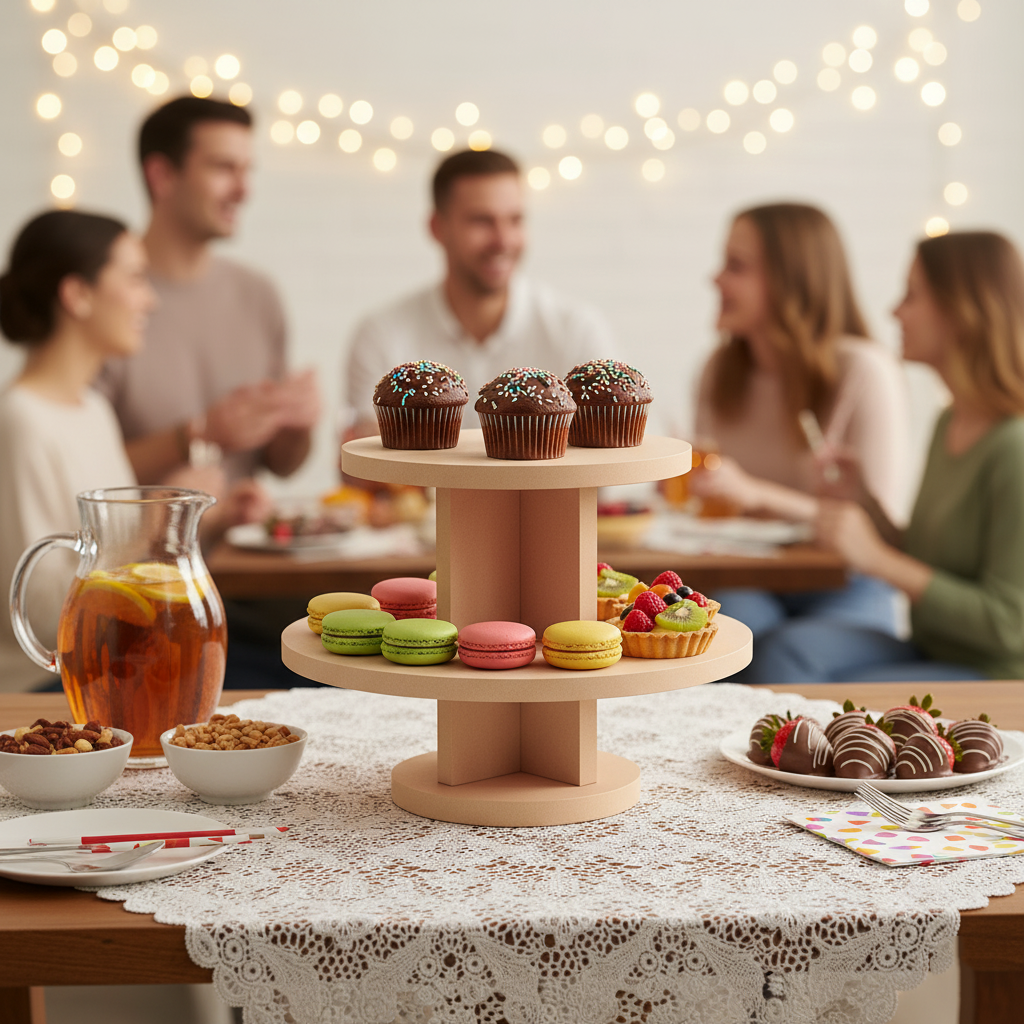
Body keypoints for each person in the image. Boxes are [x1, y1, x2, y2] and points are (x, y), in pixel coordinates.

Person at [748, 231, 1024, 682]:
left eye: (912, 295)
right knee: (782, 648)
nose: (895, 311)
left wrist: (875, 558)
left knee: (805, 680)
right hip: (929, 647)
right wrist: (867, 506)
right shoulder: (950, 420)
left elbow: (1010, 624)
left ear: (963, 312)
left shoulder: (1014, 446)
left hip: (993, 674)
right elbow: (936, 561)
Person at [690, 203, 911, 641]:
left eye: (736, 266)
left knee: (783, 651)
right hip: (749, 575)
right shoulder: (719, 371)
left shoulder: (864, 371)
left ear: (792, 279)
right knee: (724, 637)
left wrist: (755, 494)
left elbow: (875, 530)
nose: (715, 279)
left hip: (847, 583)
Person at [95, 96, 319, 487]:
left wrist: (297, 426)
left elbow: (281, 465)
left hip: (242, 546)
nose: (244, 191)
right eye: (223, 168)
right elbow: (77, 466)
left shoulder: (259, 294)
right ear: (162, 175)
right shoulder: (103, 299)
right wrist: (198, 435)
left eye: (247, 171)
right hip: (141, 549)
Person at [343, 148, 615, 438]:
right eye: (482, 221)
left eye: (515, 220)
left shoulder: (576, 329)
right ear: (437, 228)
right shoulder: (382, 334)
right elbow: (366, 464)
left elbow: (612, 470)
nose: (503, 240)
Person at [0, 210, 150, 692]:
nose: (150, 298)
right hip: (50, 679)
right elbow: (41, 615)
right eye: (134, 278)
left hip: (114, 655)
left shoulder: (94, 409)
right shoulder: (21, 420)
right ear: (77, 294)